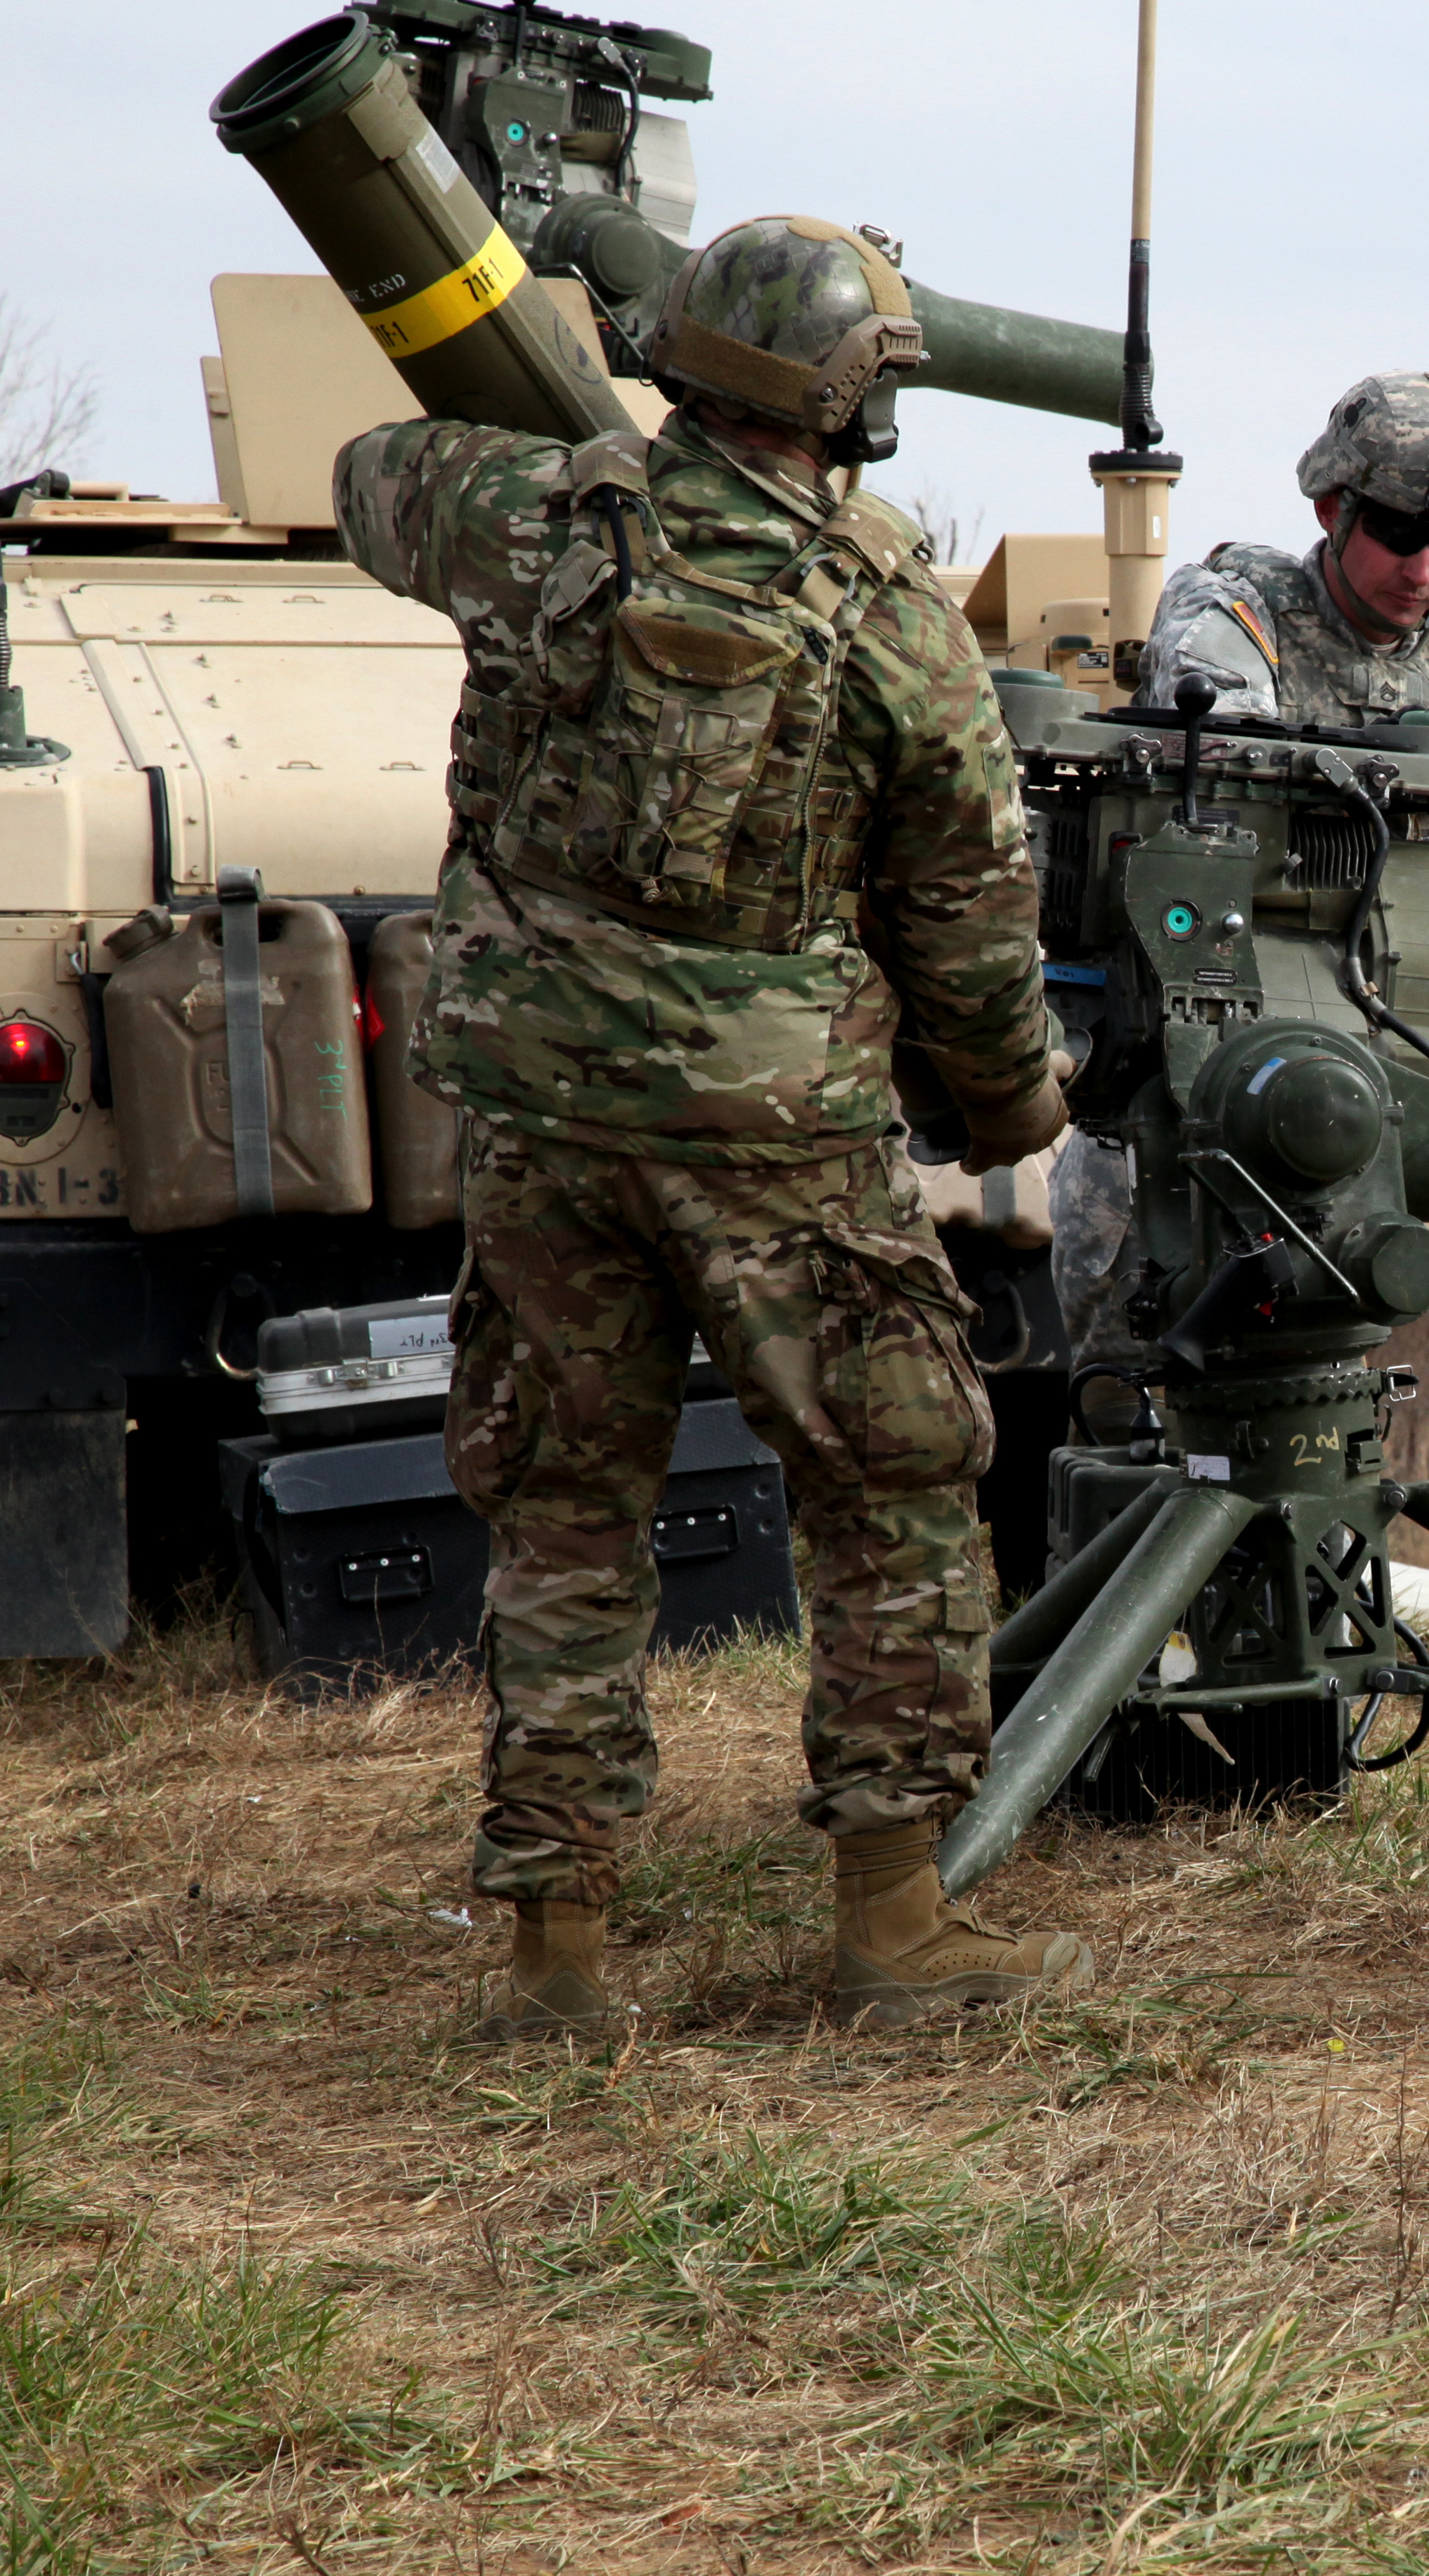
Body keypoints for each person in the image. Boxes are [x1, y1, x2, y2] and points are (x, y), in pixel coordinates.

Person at [335, 214, 1089, 2038]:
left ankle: (554, 1951)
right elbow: (970, 910)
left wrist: (564, 441)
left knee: (565, 1507)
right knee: (895, 1478)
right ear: (848, 402)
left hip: (541, 1106)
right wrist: (1002, 1107)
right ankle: (893, 1922)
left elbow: (369, 479)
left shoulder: (526, 520)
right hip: (775, 1122)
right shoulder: (892, 606)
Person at [1052, 372, 1429, 1402]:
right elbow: (1224, 789)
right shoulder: (1236, 618)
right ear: (1333, 510)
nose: (1426, 570)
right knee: (1124, 1341)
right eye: (1401, 533)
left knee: (1318, 1365)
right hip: (1186, 1043)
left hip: (1350, 1077)